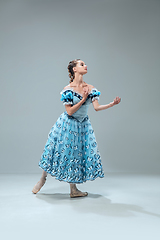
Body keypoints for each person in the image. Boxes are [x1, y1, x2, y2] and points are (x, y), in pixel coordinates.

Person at [32, 58, 121, 198]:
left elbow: (96, 108)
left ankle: (73, 190)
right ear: (74, 69)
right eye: (82, 64)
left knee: (75, 154)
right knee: (53, 150)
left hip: (82, 125)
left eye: (85, 64)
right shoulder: (68, 90)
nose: (85, 66)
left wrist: (112, 104)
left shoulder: (90, 88)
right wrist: (83, 99)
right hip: (67, 124)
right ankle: (42, 179)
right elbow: (69, 112)